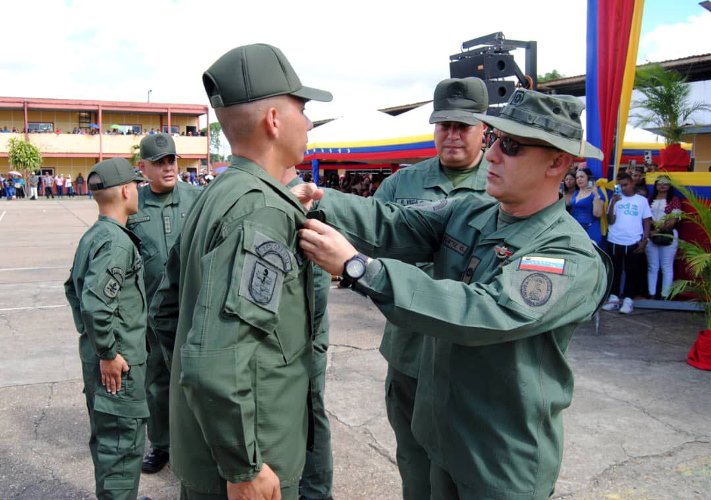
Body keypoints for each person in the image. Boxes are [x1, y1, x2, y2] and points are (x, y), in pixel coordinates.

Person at [296, 89, 611, 499]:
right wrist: (319, 199)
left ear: (558, 162)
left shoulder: (565, 252)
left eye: (512, 146)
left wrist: (360, 269)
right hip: (441, 430)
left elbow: (484, 311)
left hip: (499, 454)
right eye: (497, 138)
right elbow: (391, 221)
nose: (494, 154)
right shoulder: (472, 210)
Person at [148, 43, 332, 500]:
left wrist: (202, 411)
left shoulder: (219, 193)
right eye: (301, 108)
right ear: (273, 120)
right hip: (254, 459)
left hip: (214, 448)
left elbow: (167, 313)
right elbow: (214, 360)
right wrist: (243, 465)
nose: (307, 122)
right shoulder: (261, 211)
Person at [372, 76, 491, 500]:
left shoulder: (502, 185)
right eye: (444, 125)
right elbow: (372, 248)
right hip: (410, 349)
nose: (453, 135)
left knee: (467, 466)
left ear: (484, 130)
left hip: (470, 356)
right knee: (414, 458)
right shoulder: (400, 186)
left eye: (463, 126)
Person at [63, 158, 150, 499]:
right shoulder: (116, 243)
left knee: (109, 442)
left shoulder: (95, 235)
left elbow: (75, 291)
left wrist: (93, 343)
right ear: (127, 190)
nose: (140, 191)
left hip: (102, 358)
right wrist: (108, 352)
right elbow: (97, 304)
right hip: (118, 366)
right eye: (137, 185)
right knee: (121, 446)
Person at [127, 132, 202, 475]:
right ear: (142, 167)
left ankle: (199, 444)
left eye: (171, 160)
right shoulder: (132, 205)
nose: (168, 167)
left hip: (193, 310)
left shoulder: (198, 197)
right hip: (152, 317)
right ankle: (161, 444)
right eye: (158, 162)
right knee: (157, 383)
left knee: (198, 379)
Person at [282, 167, 334, 500]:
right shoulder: (257, 191)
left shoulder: (304, 196)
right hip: (279, 334)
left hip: (304, 334)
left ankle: (316, 491)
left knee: (310, 411)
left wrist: (306, 338)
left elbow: (316, 280)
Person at [602, 173, 652, 314]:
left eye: (625, 185)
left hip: (633, 241)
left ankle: (629, 300)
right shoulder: (616, 199)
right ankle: (614, 298)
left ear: (632, 183)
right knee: (615, 270)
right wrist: (613, 202)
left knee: (631, 271)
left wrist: (645, 239)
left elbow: (646, 220)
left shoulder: (641, 200)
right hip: (614, 239)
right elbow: (610, 220)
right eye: (620, 185)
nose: (623, 188)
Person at [646, 175, 682, 299]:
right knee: (652, 266)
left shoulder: (674, 199)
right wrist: (652, 228)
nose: (662, 185)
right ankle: (651, 294)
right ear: (655, 185)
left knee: (666, 266)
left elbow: (674, 218)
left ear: (669, 186)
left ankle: (665, 295)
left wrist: (660, 227)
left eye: (665, 183)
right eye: (659, 183)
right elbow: (645, 216)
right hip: (651, 235)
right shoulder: (650, 199)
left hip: (668, 235)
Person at [570, 167, 605, 245]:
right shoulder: (576, 193)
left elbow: (597, 214)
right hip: (576, 229)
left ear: (589, 178)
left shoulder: (597, 193)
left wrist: (596, 195)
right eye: (577, 178)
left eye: (582, 177)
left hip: (590, 229)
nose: (579, 179)